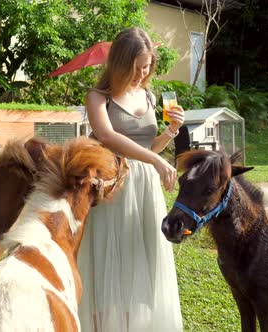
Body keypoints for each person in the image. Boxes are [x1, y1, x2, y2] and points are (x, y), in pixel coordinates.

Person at [78, 27, 184, 331]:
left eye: (147, 66)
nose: (142, 73)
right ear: (120, 63)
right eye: (136, 67)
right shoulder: (98, 97)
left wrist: (171, 132)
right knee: (109, 263)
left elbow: (149, 147)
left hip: (145, 189)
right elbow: (108, 137)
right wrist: (155, 161)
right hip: (113, 187)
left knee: (141, 260)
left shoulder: (149, 96)